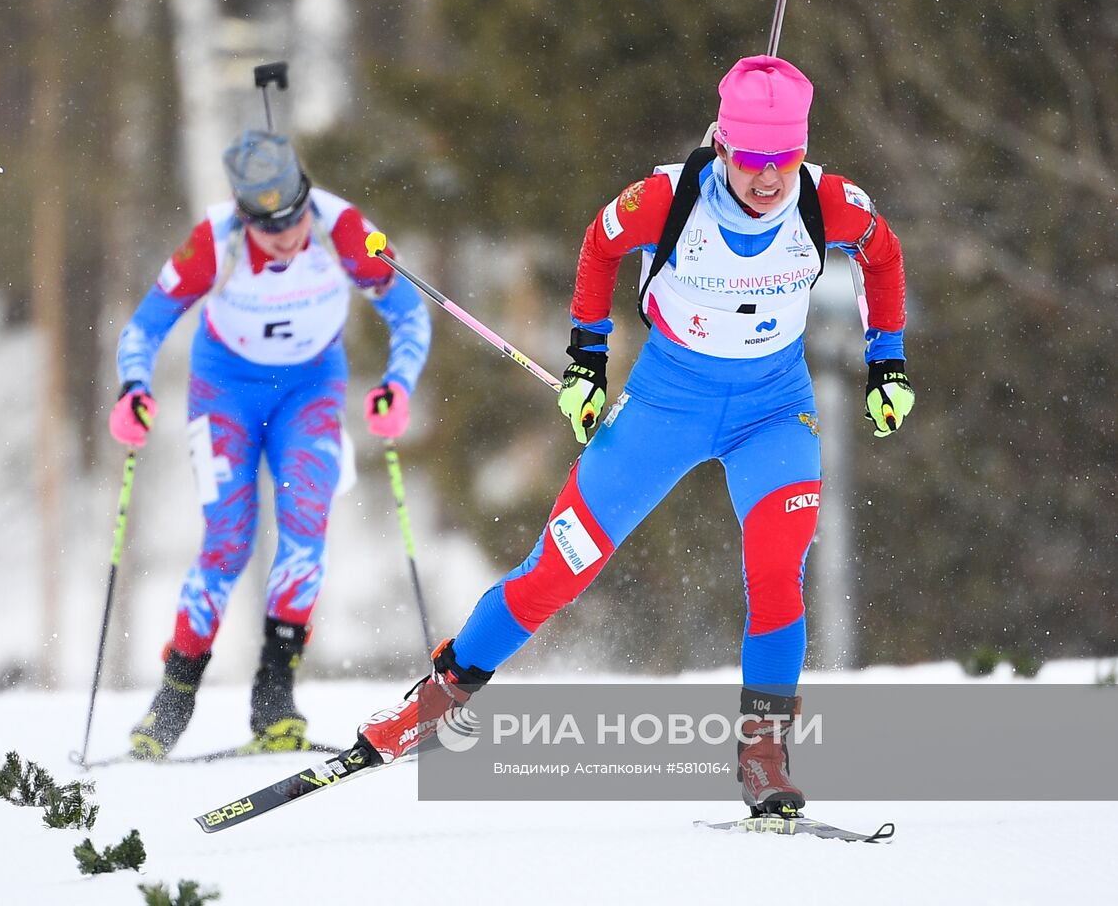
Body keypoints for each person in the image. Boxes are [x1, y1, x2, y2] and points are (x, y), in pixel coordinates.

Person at [355, 55, 913, 815]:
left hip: (773, 410)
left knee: (776, 573)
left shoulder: (829, 202)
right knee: (561, 566)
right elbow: (598, 245)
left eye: (782, 159)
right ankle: (440, 694)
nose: (766, 179)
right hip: (663, 404)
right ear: (720, 144)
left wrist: (887, 362)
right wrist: (584, 361)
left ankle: (761, 751)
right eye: (750, 159)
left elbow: (881, 256)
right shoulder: (666, 198)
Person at [112, 128, 431, 759]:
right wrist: (133, 389)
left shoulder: (344, 230)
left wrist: (399, 385)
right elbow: (144, 327)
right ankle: (175, 692)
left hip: (310, 390)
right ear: (243, 217)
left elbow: (409, 310)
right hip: (223, 391)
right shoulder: (214, 239)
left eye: (296, 220)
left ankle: (275, 695)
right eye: (271, 229)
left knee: (306, 530)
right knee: (228, 541)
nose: (288, 238)